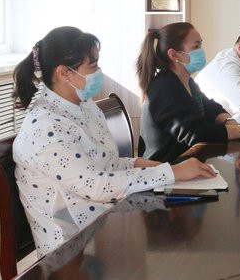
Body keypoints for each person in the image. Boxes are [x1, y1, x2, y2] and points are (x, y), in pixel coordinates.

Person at [12, 26, 216, 257]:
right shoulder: (46, 127)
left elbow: (106, 162)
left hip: (104, 220)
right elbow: (96, 185)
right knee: (177, 244)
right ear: (64, 73)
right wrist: (170, 173)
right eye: (93, 66)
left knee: (183, 234)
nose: (99, 72)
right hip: (73, 248)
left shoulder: (84, 106)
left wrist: (145, 164)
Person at [137, 22, 240, 163]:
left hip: (188, 163)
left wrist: (231, 122)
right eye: (196, 46)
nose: (201, 51)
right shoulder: (165, 88)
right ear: (174, 55)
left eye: (200, 45)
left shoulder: (187, 82)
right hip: (166, 171)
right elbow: (197, 133)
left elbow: (211, 108)